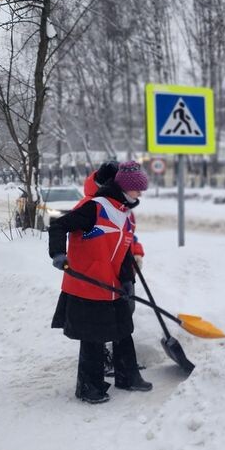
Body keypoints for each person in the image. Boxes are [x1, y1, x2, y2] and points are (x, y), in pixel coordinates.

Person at [49, 161, 152, 404]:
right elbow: (59, 226)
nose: (141, 193)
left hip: (112, 285)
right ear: (124, 187)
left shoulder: (124, 214)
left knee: (123, 330)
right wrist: (58, 254)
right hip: (88, 284)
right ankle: (88, 388)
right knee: (93, 336)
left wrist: (127, 279)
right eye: (138, 188)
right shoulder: (95, 207)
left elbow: (125, 251)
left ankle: (127, 376)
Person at [78, 161, 147, 376]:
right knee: (101, 317)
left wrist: (136, 251)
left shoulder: (124, 205)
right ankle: (103, 358)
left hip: (124, 270)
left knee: (125, 313)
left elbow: (128, 234)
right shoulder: (91, 204)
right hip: (101, 272)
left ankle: (121, 360)